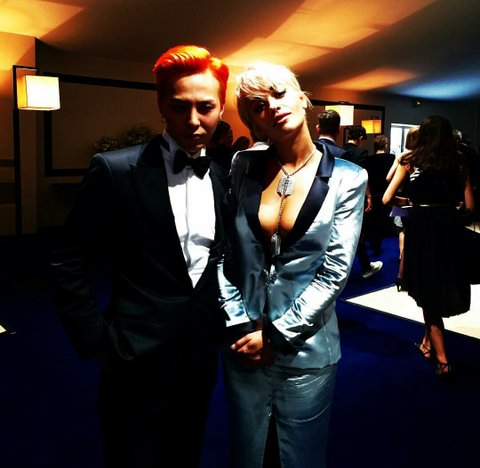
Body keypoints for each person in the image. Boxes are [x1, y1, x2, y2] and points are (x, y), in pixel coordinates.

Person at [50, 44, 230, 467]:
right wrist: (95, 339)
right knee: (130, 454)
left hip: (201, 348)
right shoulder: (114, 169)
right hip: (133, 350)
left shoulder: (224, 176)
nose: (193, 120)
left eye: (206, 107)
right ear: (161, 105)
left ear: (221, 107)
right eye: (179, 106)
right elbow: (67, 258)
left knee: (187, 449)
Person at [218, 61, 367, 467]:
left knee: (300, 456)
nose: (272, 106)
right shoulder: (243, 164)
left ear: (303, 98)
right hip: (244, 342)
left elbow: (335, 271)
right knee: (248, 453)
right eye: (258, 106)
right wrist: (239, 323)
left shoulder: (348, 178)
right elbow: (226, 253)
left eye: (280, 93)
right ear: (253, 121)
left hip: (307, 347)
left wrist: (277, 335)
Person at [383, 115, 474, 377]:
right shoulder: (459, 161)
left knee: (427, 290)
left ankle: (443, 360)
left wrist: (410, 203)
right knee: (441, 283)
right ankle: (427, 343)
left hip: (422, 228)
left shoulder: (411, 160)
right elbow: (470, 206)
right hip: (449, 229)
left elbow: (388, 198)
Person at [318, 112, 381, 279]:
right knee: (351, 231)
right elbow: (358, 177)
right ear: (339, 130)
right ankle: (358, 267)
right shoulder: (348, 153)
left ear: (317, 128)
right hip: (340, 198)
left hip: (314, 198)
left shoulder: (314, 149)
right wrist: (368, 196)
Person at [386, 127, 418, 290]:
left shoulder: (402, 157)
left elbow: (388, 177)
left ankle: (401, 265)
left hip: (402, 198)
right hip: (413, 200)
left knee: (402, 231)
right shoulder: (423, 158)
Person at [363, 135, 395, 256]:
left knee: (373, 220)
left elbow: (366, 178)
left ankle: (373, 243)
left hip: (373, 192)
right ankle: (378, 245)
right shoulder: (391, 158)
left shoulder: (368, 160)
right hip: (387, 192)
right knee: (384, 220)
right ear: (385, 145)